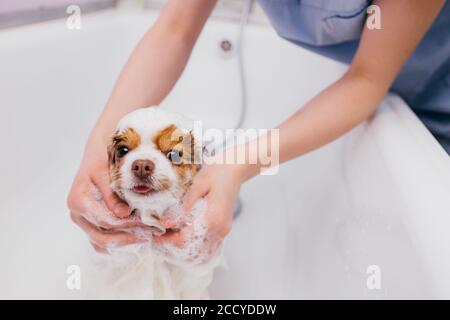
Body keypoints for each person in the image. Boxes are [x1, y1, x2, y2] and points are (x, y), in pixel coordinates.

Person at [67, 0, 448, 253]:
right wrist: (100, 144)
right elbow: (176, 28)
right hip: (372, 86)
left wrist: (239, 164)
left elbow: (367, 79)